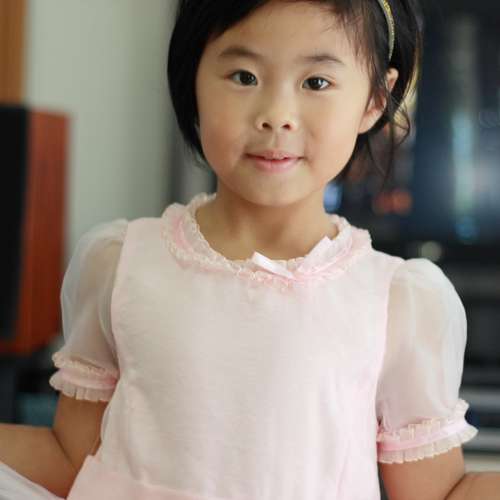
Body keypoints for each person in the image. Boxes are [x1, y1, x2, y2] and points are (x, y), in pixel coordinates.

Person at [4, 0, 498, 498]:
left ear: (375, 98)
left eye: (316, 82)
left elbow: (439, 492)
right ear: (193, 79)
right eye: (244, 77)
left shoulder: (396, 302)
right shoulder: (120, 264)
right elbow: (70, 458)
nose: (276, 116)